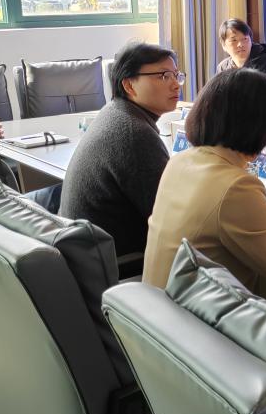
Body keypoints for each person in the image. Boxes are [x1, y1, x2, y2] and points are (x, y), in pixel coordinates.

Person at [144, 68, 266, 297]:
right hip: (199, 316)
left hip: (157, 308)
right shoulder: (237, 186)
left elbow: (214, 219)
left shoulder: (180, 162)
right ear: (258, 128)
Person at [60, 42, 182, 275]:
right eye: (164, 76)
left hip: (84, 257)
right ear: (129, 85)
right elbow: (172, 220)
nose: (176, 84)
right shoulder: (134, 133)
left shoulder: (115, 112)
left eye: (176, 75)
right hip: (115, 268)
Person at [216, 17, 266, 107]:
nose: (240, 44)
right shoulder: (223, 67)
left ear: (251, 41)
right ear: (224, 45)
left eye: (245, 39)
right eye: (234, 40)